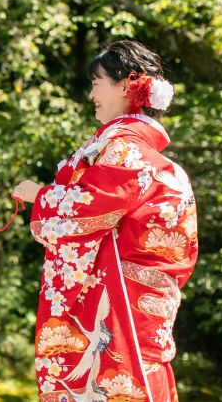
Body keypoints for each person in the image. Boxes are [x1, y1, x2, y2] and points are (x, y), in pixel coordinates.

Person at [13, 40, 198, 402]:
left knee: (115, 380)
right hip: (141, 292)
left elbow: (94, 206)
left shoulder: (124, 147)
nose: (91, 93)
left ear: (126, 86)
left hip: (119, 295)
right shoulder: (148, 156)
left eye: (97, 82)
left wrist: (40, 195)